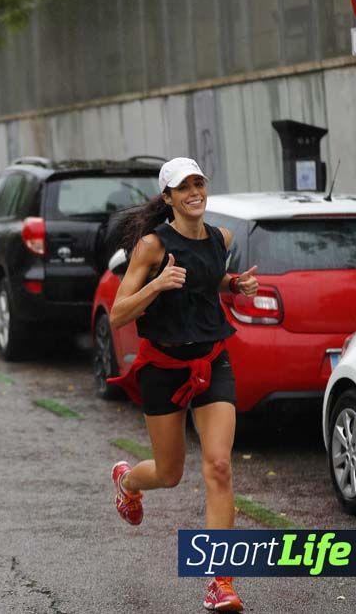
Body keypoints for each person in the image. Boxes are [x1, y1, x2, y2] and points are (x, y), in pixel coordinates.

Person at [106, 158, 259, 613]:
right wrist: (157, 285)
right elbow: (118, 313)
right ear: (168, 197)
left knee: (218, 466)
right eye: (183, 187)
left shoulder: (221, 238)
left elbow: (208, 285)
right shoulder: (152, 246)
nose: (194, 191)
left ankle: (220, 582)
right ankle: (128, 480)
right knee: (170, 474)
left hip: (212, 359)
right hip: (164, 366)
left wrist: (234, 284)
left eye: (199, 183)